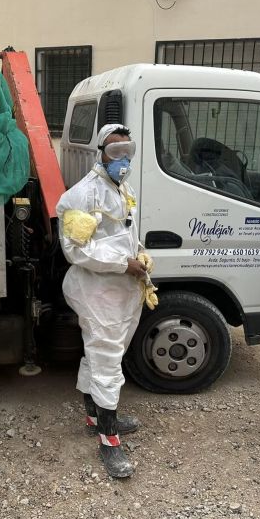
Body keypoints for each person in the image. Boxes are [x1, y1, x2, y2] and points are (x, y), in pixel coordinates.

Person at [56, 123, 156, 479]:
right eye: (115, 151)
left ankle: (93, 415)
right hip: (97, 290)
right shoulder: (81, 195)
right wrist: (122, 263)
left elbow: (125, 232)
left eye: (128, 150)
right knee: (107, 361)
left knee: (101, 354)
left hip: (122, 289)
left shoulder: (121, 187)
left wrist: (140, 255)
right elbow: (75, 250)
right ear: (100, 152)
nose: (122, 158)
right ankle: (109, 442)